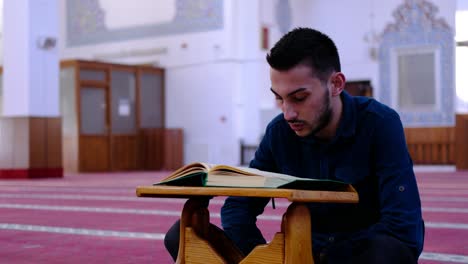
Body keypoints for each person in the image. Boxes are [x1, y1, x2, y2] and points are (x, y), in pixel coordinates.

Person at [164, 27, 424, 264]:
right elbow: (239, 206)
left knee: (386, 253)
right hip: (302, 253)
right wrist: (257, 255)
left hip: (359, 252)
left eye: (299, 98)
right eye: (279, 99)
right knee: (182, 236)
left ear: (335, 84)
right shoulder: (280, 132)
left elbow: (401, 225)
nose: (288, 113)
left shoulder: (379, 124)